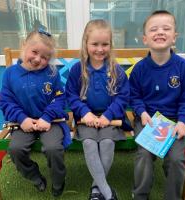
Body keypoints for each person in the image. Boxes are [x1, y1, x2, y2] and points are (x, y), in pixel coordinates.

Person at [129, 10, 185, 200]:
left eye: (166, 28)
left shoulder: (183, 67)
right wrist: (141, 112)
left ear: (174, 37)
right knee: (144, 155)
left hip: (175, 123)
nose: (160, 32)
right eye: (154, 29)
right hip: (148, 121)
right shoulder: (140, 69)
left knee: (176, 159)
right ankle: (141, 195)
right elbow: (134, 96)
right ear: (145, 39)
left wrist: (183, 121)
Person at [0, 28, 71, 198]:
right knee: (15, 149)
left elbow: (60, 98)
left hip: (50, 122)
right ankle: (34, 176)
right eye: (34, 52)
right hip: (23, 124)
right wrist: (22, 119)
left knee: (53, 148)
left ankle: (58, 181)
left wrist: (47, 117)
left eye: (45, 57)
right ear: (24, 46)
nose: (38, 59)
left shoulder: (52, 74)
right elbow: (6, 101)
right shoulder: (10, 74)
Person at [66, 19, 130, 200]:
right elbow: (71, 95)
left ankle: (96, 189)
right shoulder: (78, 70)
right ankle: (108, 194)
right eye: (95, 44)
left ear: (111, 45)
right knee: (89, 143)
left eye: (105, 44)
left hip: (111, 118)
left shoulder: (116, 70)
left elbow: (123, 97)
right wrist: (84, 112)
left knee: (108, 143)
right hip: (86, 118)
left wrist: (108, 115)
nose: (100, 49)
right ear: (86, 44)